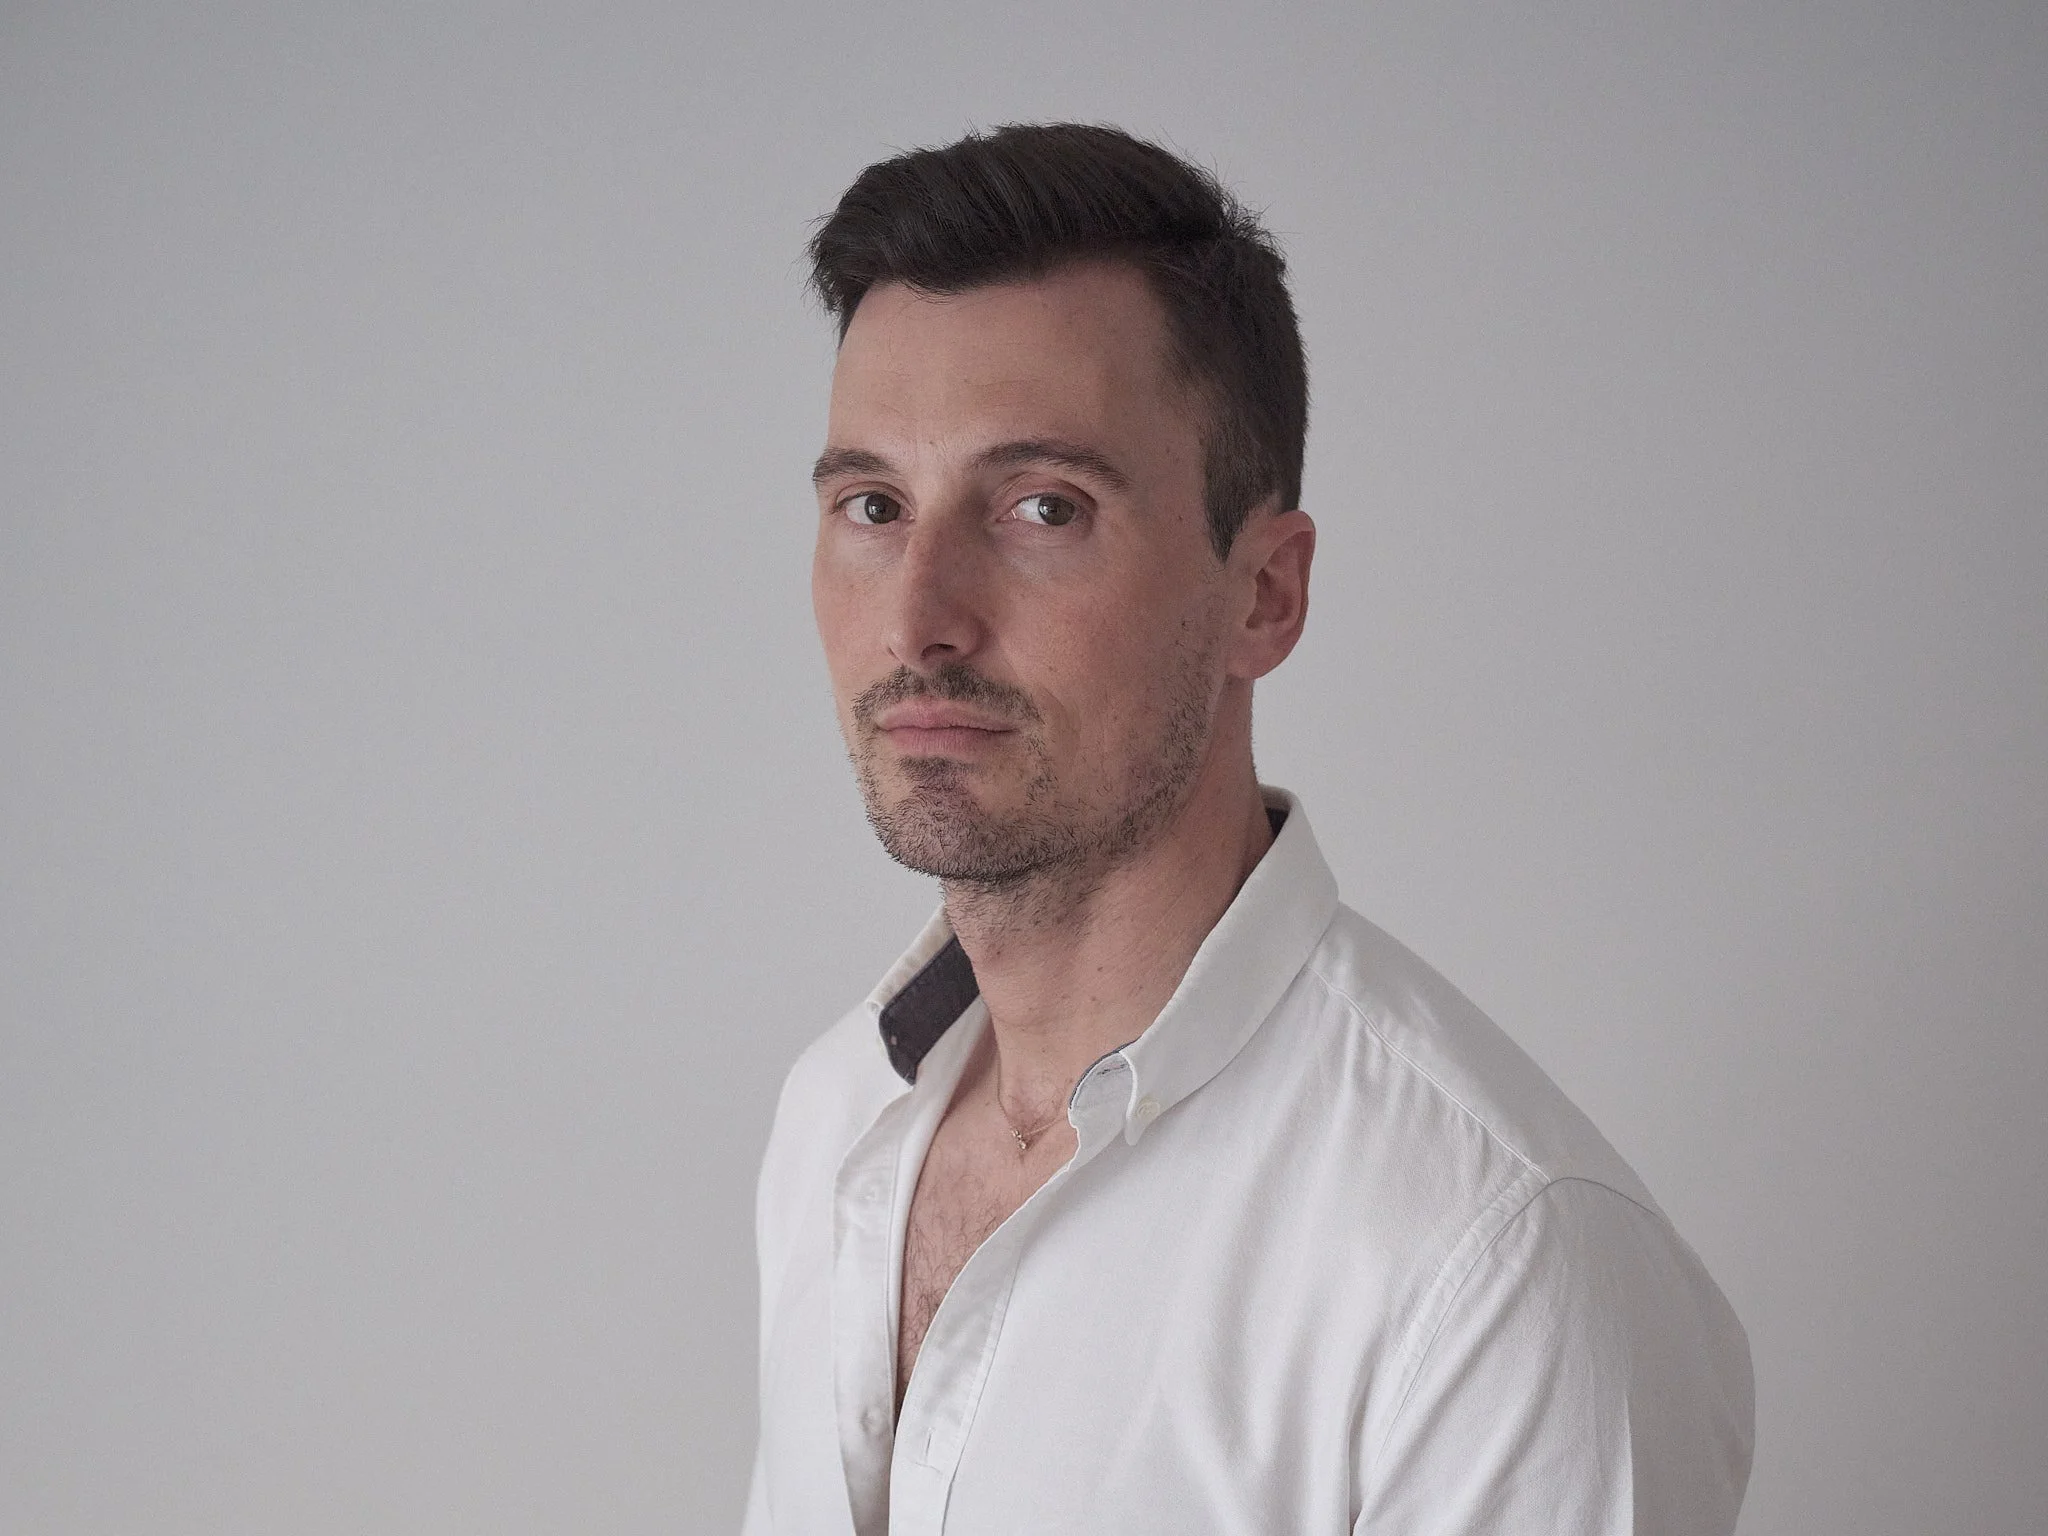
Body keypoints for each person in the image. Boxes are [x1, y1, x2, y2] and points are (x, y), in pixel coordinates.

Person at [744, 123, 1753, 1536]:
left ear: (1264, 595)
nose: (919, 619)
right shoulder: (837, 1118)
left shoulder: (1493, 1264)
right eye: (873, 506)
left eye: (1042, 508)